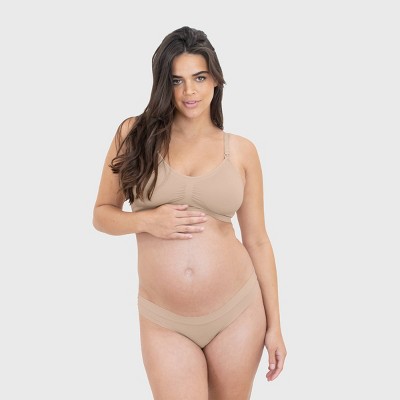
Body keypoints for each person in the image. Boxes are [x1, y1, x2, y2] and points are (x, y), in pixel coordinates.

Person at [93, 26, 287, 399]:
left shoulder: (242, 151)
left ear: (215, 80)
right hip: (164, 319)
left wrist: (275, 325)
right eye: (176, 80)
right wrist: (147, 221)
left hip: (237, 311)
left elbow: (258, 241)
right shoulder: (133, 135)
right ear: (163, 84)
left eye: (199, 78)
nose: (189, 92)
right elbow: (102, 214)